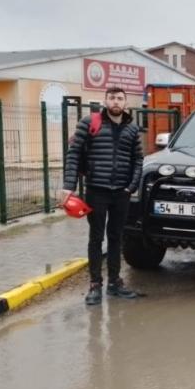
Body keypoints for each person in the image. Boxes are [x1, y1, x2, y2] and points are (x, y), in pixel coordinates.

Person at [61, 87, 143, 305]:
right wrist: (68, 186)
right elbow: (73, 154)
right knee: (96, 238)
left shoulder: (132, 129)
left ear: (126, 103)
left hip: (122, 192)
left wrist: (131, 187)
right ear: (105, 101)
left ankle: (114, 283)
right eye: (112, 98)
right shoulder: (89, 122)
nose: (116, 101)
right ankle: (95, 285)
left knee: (116, 237)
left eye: (120, 98)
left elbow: (138, 160)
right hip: (96, 190)